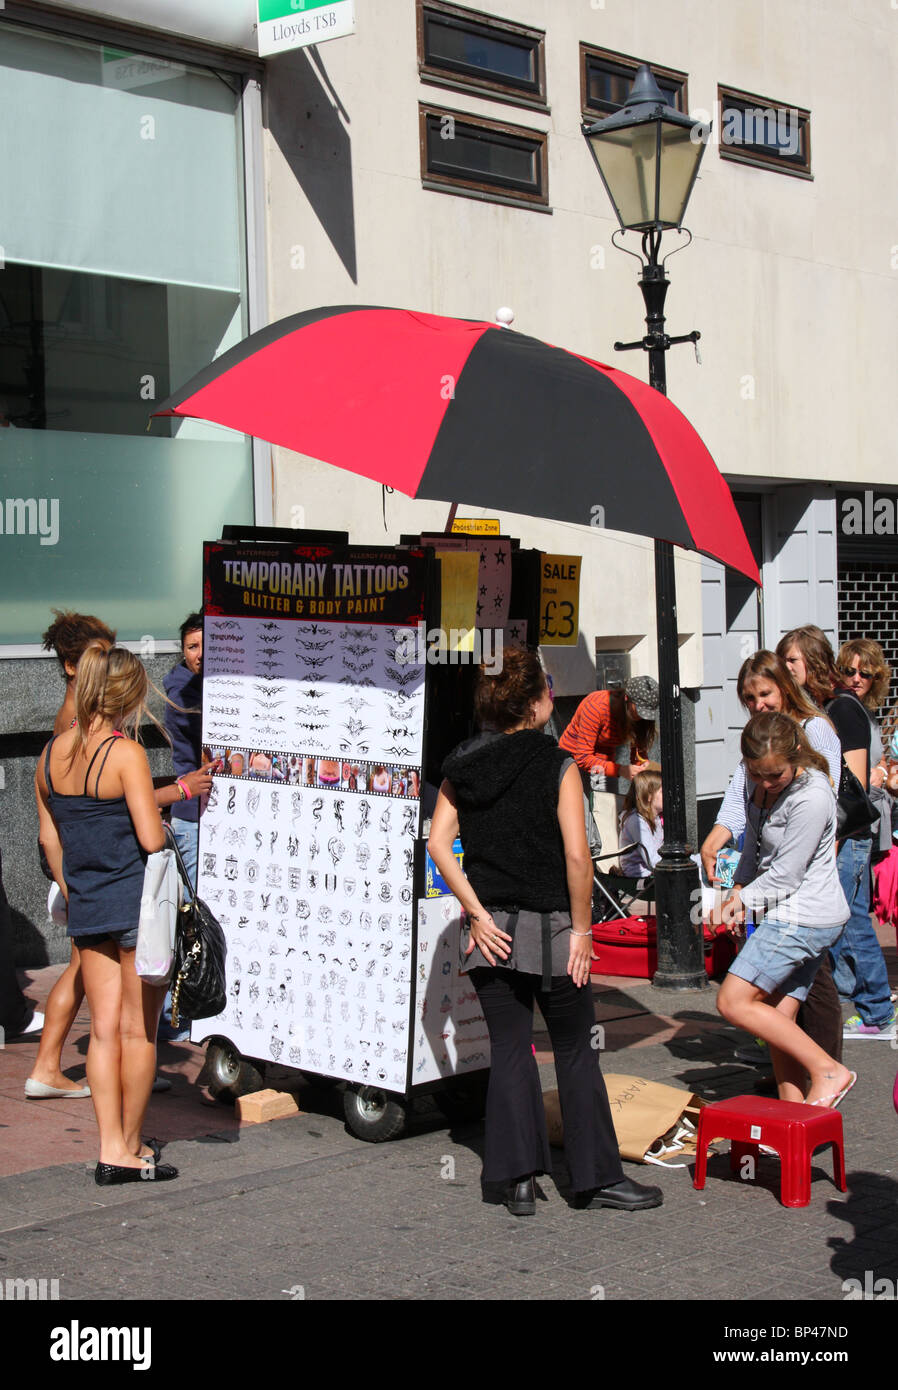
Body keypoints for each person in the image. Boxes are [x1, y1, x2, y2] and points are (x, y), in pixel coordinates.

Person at [427, 649, 661, 1216]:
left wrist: (477, 913)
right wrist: (583, 931)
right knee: (576, 1050)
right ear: (538, 703)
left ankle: (517, 1180)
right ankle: (594, 1179)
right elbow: (578, 858)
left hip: (491, 932)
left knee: (510, 1049)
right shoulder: (557, 764)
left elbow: (437, 844)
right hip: (555, 928)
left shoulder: (463, 763)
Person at [28, 611, 215, 1095]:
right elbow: (119, 814)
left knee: (100, 1007)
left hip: (88, 877)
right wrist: (176, 792)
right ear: (76, 667)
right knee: (129, 1025)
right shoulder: (88, 729)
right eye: (99, 654)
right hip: (110, 877)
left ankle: (58, 1078)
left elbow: (69, 819)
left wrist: (74, 886)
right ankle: (68, 1080)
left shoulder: (69, 734)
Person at [35, 643, 178, 1183]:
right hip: (135, 905)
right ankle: (132, 1146)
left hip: (88, 903)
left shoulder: (49, 756)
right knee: (138, 1034)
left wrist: (74, 888)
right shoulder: (125, 754)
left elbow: (51, 839)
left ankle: (108, 1146)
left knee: (100, 1033)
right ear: (129, 696)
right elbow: (149, 836)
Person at [699, 650, 845, 1065]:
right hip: (772, 878)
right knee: (783, 996)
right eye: (748, 698)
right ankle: (796, 1083)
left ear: (784, 687)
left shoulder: (813, 731)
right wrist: (721, 837)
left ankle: (824, 1067)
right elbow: (742, 798)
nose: (757, 704)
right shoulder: (758, 742)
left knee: (815, 988)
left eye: (764, 693)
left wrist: (753, 892)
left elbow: (819, 810)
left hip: (803, 886)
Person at [717, 713, 856, 1107]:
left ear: (795, 754)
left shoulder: (812, 795)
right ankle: (793, 1114)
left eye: (774, 776)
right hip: (787, 911)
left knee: (733, 1001)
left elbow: (786, 876)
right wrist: (739, 889)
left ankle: (829, 1071)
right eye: (757, 774)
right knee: (778, 1016)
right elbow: (752, 845)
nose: (765, 783)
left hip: (804, 915)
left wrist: (740, 901)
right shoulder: (755, 778)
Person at [777, 627, 896, 1040]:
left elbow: (854, 785)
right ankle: (862, 1003)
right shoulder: (830, 708)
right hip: (845, 834)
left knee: (846, 921)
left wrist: (831, 840)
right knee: (847, 918)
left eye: (792, 661)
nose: (785, 668)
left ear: (810, 662)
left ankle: (877, 1010)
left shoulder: (842, 710)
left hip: (846, 834)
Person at [163, 613, 205, 889]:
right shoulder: (181, 695)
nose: (201, 654)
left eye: (208, 644)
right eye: (193, 647)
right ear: (183, 651)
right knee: (195, 912)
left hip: (213, 814)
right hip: (193, 819)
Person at [558, 675, 658, 780]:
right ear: (626, 698)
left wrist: (642, 764)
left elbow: (638, 751)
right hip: (572, 762)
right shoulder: (596, 708)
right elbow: (582, 758)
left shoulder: (638, 716)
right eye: (640, 710)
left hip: (604, 766)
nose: (643, 716)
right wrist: (621, 770)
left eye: (648, 713)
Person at [618, 767, 663, 875]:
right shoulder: (636, 821)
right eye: (662, 791)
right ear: (648, 796)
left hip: (655, 872)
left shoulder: (656, 819)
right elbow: (653, 861)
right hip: (640, 877)